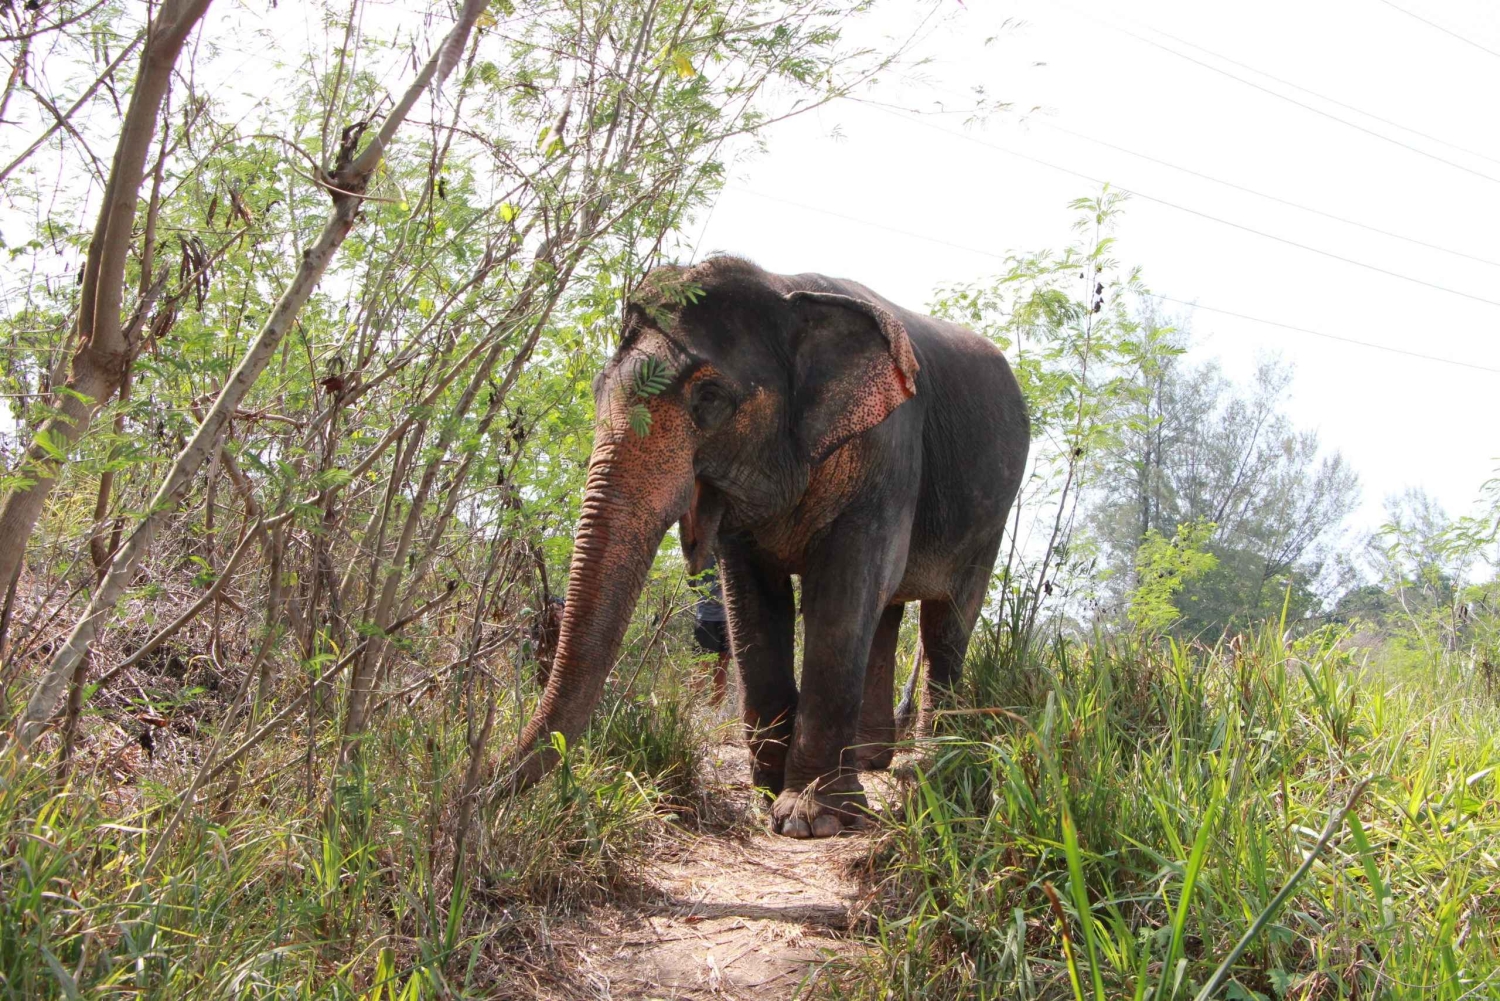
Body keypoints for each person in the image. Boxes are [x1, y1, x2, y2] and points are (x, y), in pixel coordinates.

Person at [690, 559, 731, 705]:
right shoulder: (701, 554)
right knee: (702, 665)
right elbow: (692, 581)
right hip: (707, 619)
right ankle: (693, 708)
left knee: (721, 667)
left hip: (726, 620)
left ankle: (716, 711)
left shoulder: (727, 553)